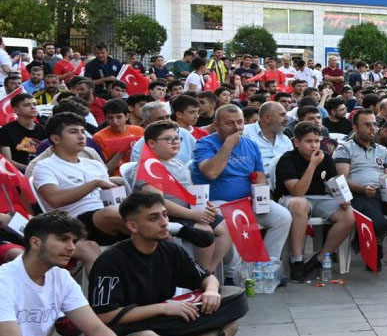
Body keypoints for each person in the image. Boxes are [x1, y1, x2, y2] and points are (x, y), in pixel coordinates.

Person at [88, 193, 240, 336]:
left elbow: (206, 277)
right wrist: (164, 308)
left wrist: (211, 291)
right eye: (153, 218)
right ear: (132, 226)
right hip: (132, 329)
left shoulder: (170, 251)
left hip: (168, 323)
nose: (164, 222)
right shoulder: (110, 261)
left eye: (165, 215)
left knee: (231, 323)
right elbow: (105, 316)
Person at [0, 212, 141, 336]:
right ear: (35, 243)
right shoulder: (4, 280)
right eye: (63, 240)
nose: (71, 248)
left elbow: (95, 328)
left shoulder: (61, 277)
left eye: (74, 241)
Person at [191, 104, 292, 279]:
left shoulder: (250, 145)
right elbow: (211, 172)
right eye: (230, 123)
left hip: (247, 201)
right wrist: (227, 146)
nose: (237, 128)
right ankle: (233, 273)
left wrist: (261, 196)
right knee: (231, 220)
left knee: (283, 216)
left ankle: (264, 266)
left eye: (240, 122)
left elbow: (260, 176)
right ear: (217, 125)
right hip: (217, 203)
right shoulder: (205, 144)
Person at [32, 113, 129, 273]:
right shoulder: (44, 166)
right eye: (73, 132)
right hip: (75, 222)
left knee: (143, 213)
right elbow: (55, 199)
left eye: (83, 131)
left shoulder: (94, 164)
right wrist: (95, 183)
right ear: (56, 139)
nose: (81, 136)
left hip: (107, 220)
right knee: (113, 214)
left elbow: (110, 199)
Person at [136, 120, 231, 271]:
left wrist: (205, 205)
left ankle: (208, 272)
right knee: (204, 231)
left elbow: (191, 192)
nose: (175, 143)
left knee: (224, 226)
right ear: (152, 143)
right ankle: (200, 275)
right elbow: (157, 202)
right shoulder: (149, 166)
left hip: (189, 211)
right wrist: (193, 214)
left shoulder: (177, 164)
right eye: (168, 139)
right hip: (167, 216)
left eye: (177, 138)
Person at [275, 122, 355, 282]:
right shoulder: (287, 160)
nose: (314, 145)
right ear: (297, 142)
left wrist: (343, 198)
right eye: (309, 141)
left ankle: (319, 259)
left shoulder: (324, 156)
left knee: (348, 216)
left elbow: (334, 181)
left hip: (320, 198)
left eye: (317, 141)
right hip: (292, 198)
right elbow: (298, 192)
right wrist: (312, 165)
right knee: (300, 204)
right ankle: (296, 260)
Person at [333, 109, 387, 252]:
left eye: (374, 124)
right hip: (359, 194)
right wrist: (362, 189)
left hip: (383, 193)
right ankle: (375, 243)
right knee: (378, 223)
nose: (373, 128)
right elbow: (342, 179)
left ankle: (367, 238)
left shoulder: (383, 150)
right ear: (355, 128)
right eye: (367, 125)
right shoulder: (344, 148)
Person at [92, 99, 145, 174]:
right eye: (110, 118)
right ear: (105, 118)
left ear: (127, 116)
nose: (115, 121)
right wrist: (121, 152)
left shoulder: (140, 131)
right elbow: (103, 171)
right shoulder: (98, 138)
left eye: (119, 117)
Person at [0, 94, 47, 172]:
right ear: (16, 110)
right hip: (17, 173)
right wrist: (31, 169)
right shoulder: (6, 130)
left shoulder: (43, 129)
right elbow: (7, 161)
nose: (33, 107)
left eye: (35, 104)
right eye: (27, 105)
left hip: (42, 171)